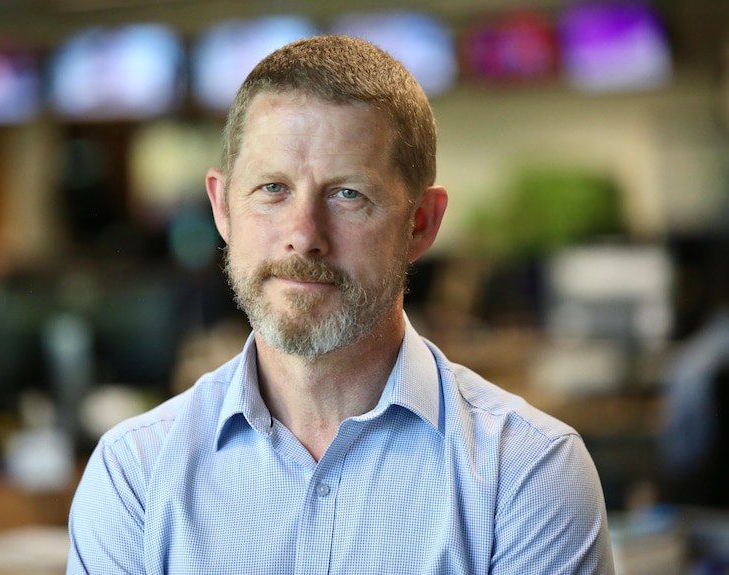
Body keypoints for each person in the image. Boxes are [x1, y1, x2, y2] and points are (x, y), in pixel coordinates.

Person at [67, 35, 615, 574]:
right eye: (273, 188)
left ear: (420, 223)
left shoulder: (525, 473)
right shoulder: (132, 475)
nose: (304, 236)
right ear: (222, 207)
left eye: (348, 193)